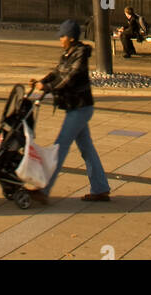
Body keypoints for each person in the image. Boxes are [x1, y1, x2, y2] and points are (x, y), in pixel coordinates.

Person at [25, 20, 110, 205]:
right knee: (87, 149)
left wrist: (46, 87)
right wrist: (41, 81)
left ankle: (44, 190)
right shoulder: (68, 53)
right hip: (75, 107)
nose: (60, 39)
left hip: (80, 108)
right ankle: (101, 188)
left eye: (62, 36)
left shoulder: (80, 55)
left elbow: (69, 79)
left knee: (60, 147)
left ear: (71, 37)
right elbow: (57, 72)